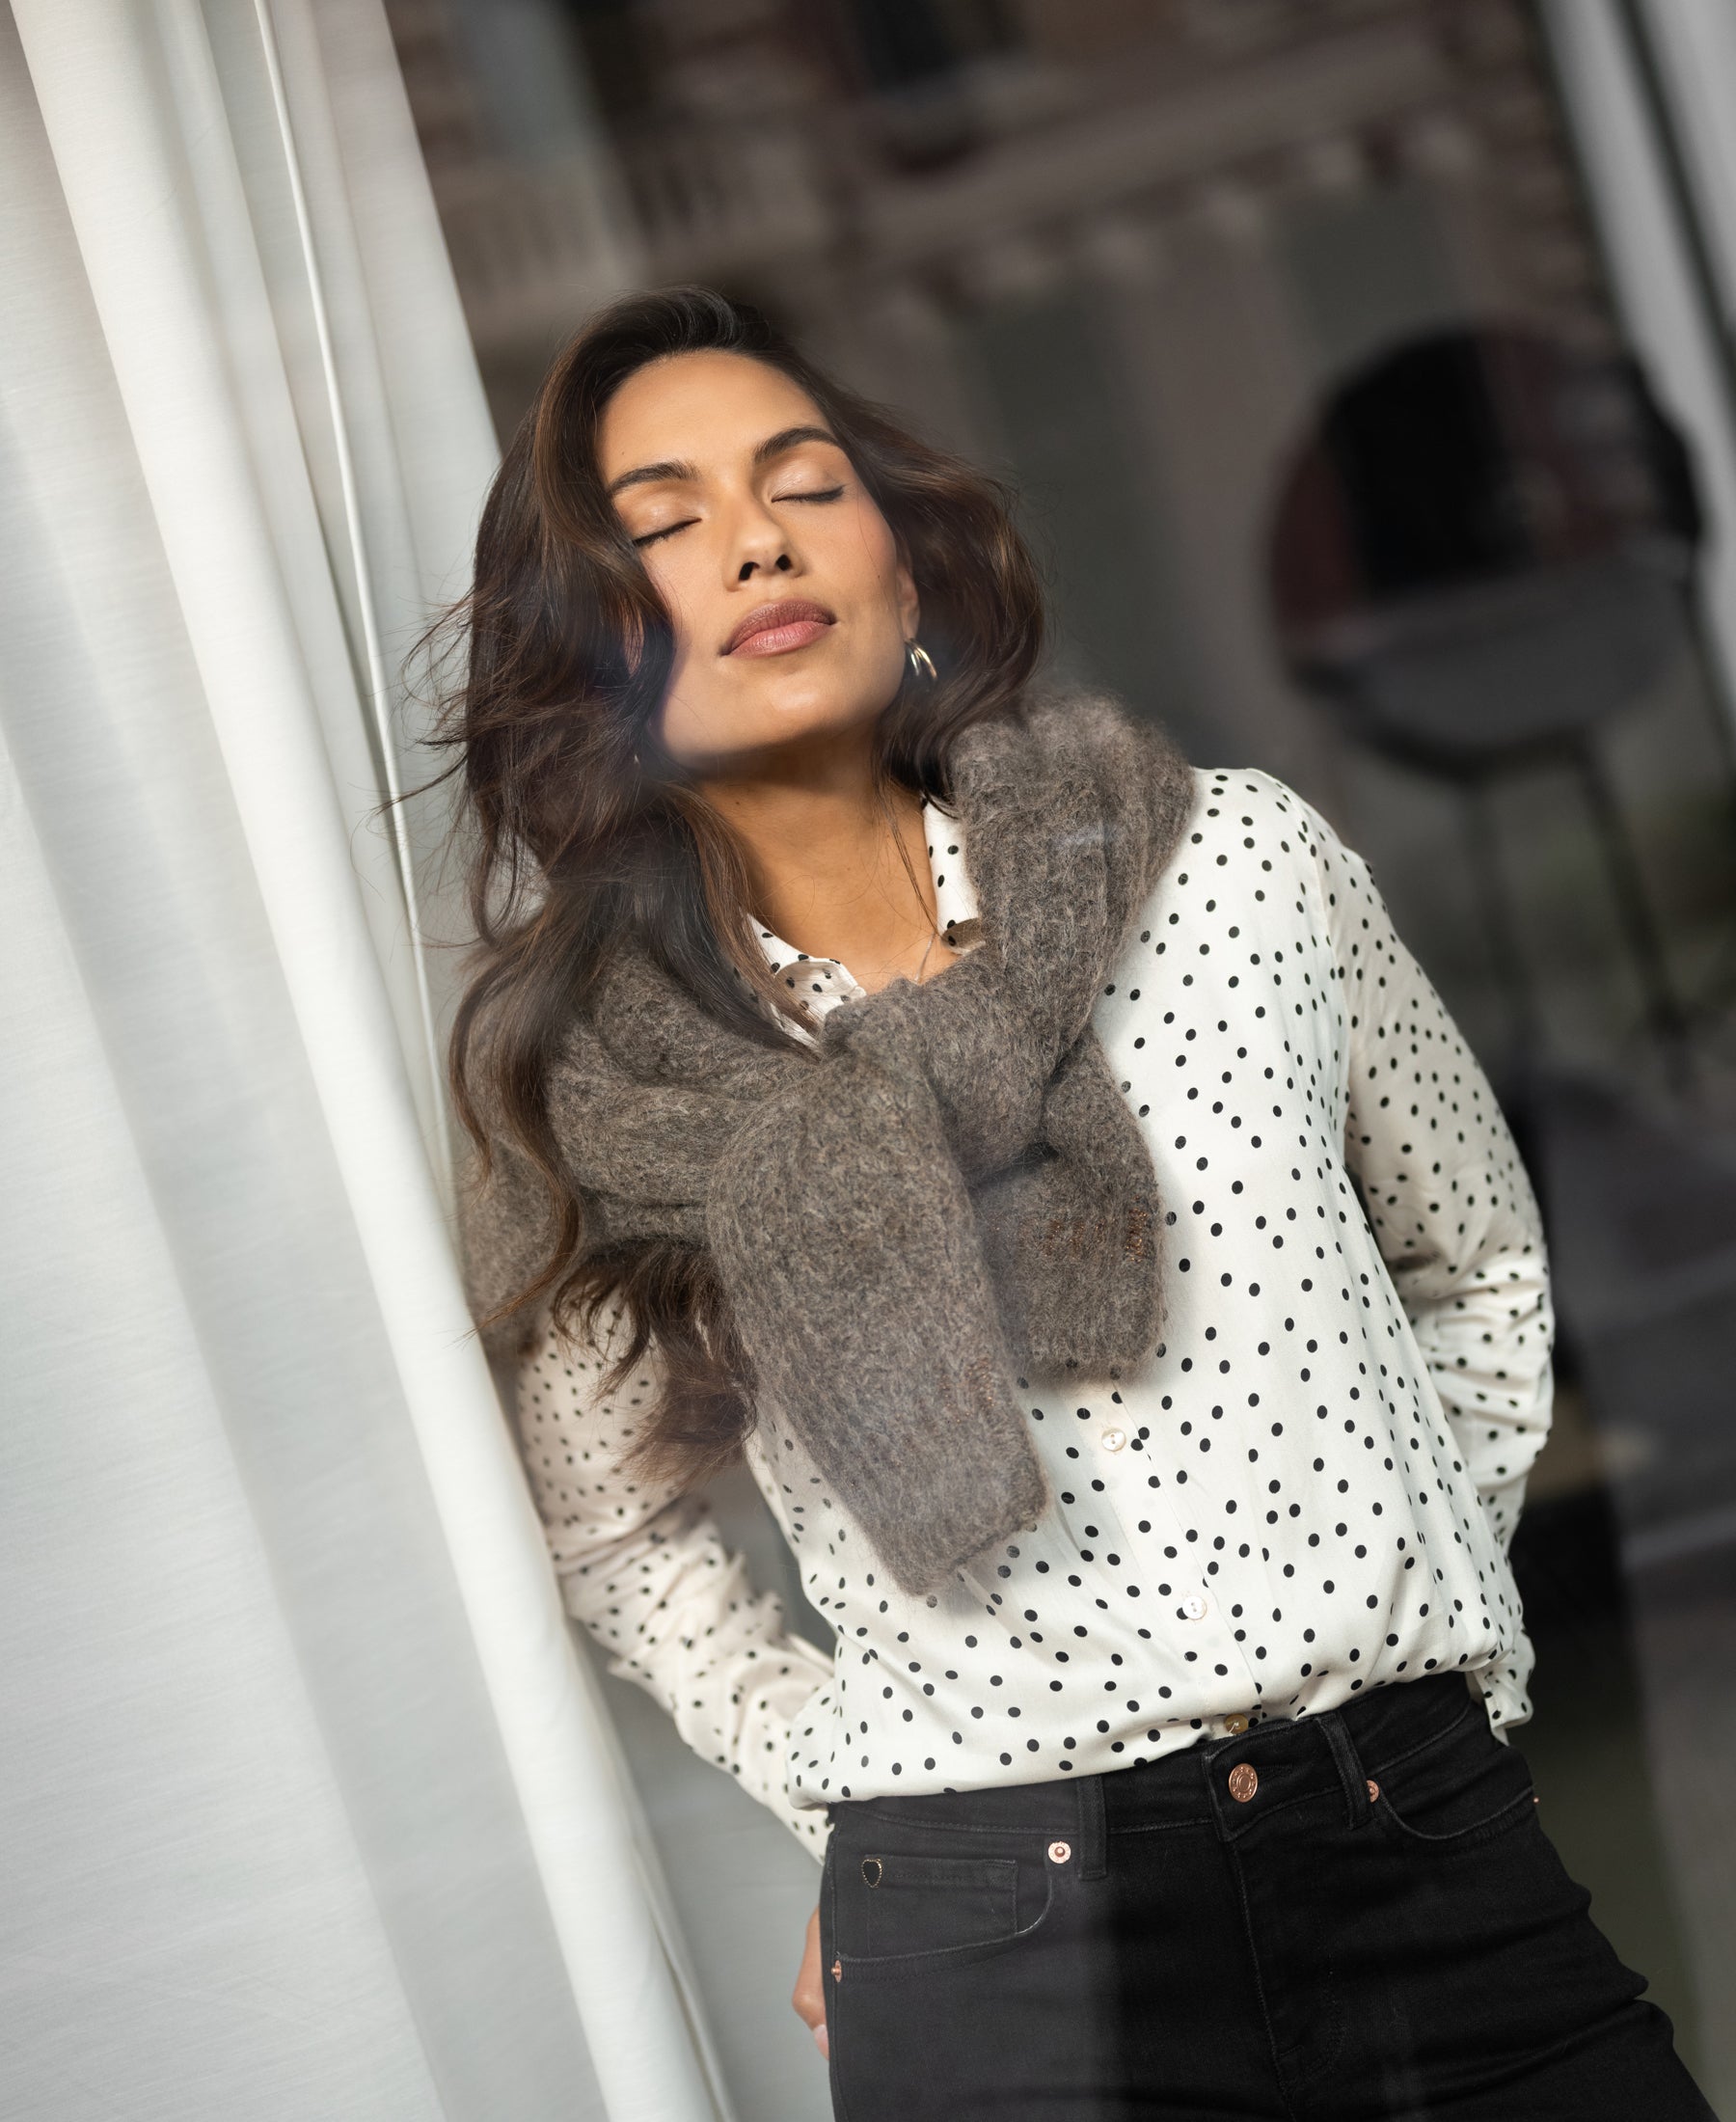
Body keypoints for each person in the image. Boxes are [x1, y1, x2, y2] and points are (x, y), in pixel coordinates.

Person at [441, 287, 1713, 2119]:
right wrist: (863, 1784)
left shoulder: (1233, 870)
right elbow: (613, 1530)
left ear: (901, 558)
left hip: (1426, 1849)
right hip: (996, 1948)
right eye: (662, 522)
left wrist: (1420, 1605)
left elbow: (1478, 1259)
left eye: (806, 482)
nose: (756, 539)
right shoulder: (606, 1089)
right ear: (592, 645)